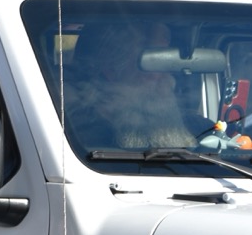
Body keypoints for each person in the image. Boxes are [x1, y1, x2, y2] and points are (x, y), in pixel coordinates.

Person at [65, 20, 197, 149]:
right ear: (110, 70)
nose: (169, 79)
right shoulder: (77, 143)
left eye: (167, 64)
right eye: (153, 63)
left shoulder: (200, 129)